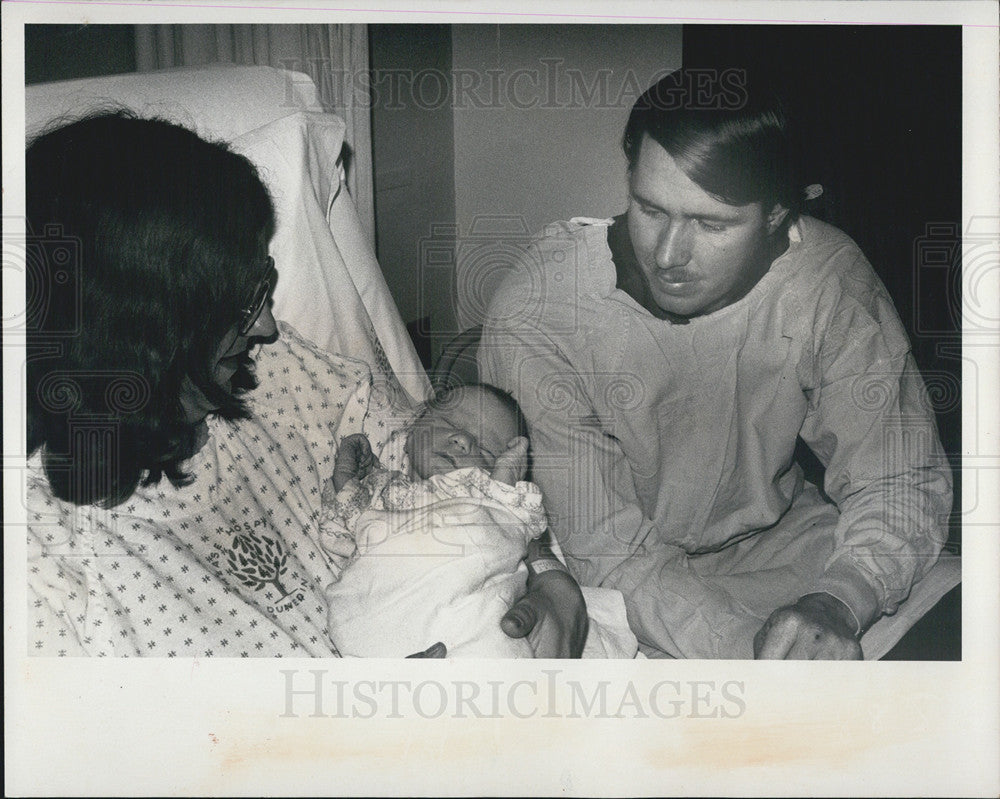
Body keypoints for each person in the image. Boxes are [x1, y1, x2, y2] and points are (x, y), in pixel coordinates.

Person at [24, 111, 587, 658]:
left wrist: (553, 584)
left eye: (262, 284)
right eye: (243, 304)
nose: (267, 324)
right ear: (142, 331)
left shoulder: (284, 371)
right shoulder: (47, 564)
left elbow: (466, 489)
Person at [478, 70, 953, 659]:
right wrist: (759, 656)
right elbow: (610, 549)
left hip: (790, 551)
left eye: (710, 224)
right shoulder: (539, 309)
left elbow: (897, 476)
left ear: (779, 214)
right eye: (650, 210)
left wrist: (841, 598)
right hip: (611, 589)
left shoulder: (825, 277)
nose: (669, 256)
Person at [319, 385, 637, 658]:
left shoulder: (482, 495)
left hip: (468, 609)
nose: (462, 440)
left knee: (490, 649)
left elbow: (518, 525)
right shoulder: (384, 490)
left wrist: (501, 489)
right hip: (380, 615)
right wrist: (347, 482)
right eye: (448, 422)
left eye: (485, 448)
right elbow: (341, 532)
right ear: (411, 433)